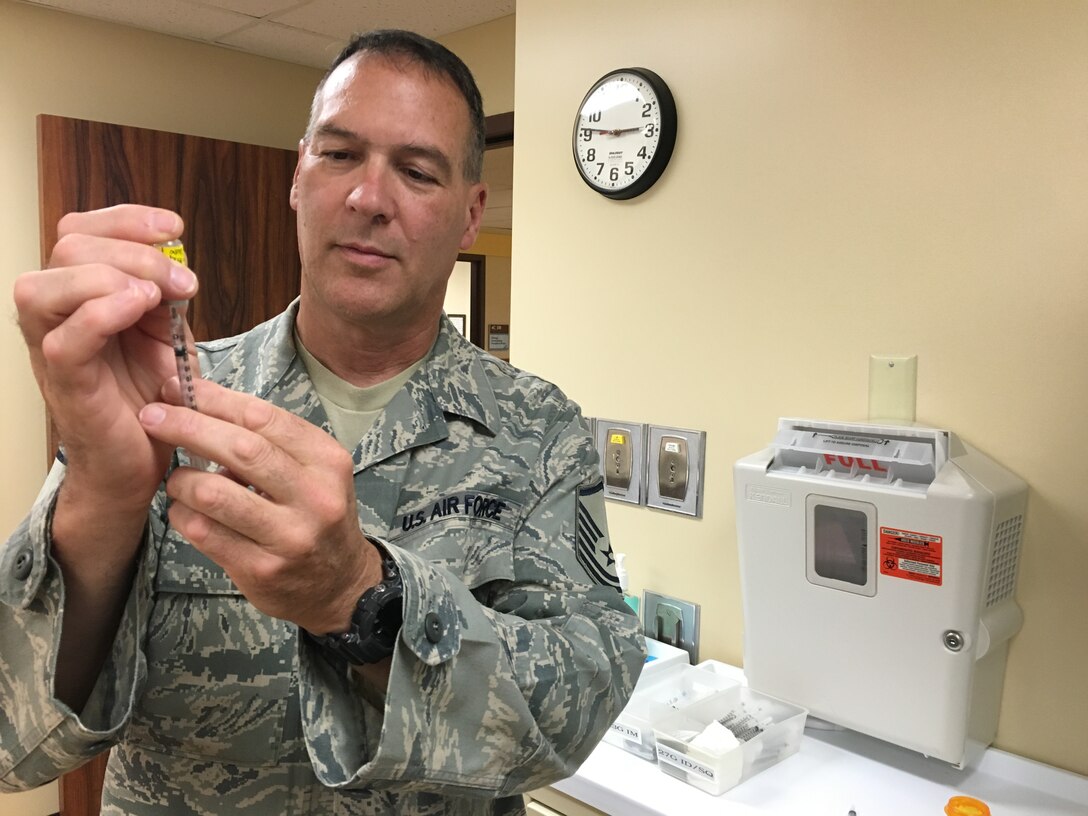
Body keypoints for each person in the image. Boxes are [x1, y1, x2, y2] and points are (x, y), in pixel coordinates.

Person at [0, 30, 644, 815]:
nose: (369, 198)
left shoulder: (540, 430)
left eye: (415, 171)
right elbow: (14, 740)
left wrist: (359, 600)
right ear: (296, 178)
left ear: (472, 214)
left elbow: (579, 710)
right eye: (339, 155)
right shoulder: (168, 398)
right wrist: (105, 491)